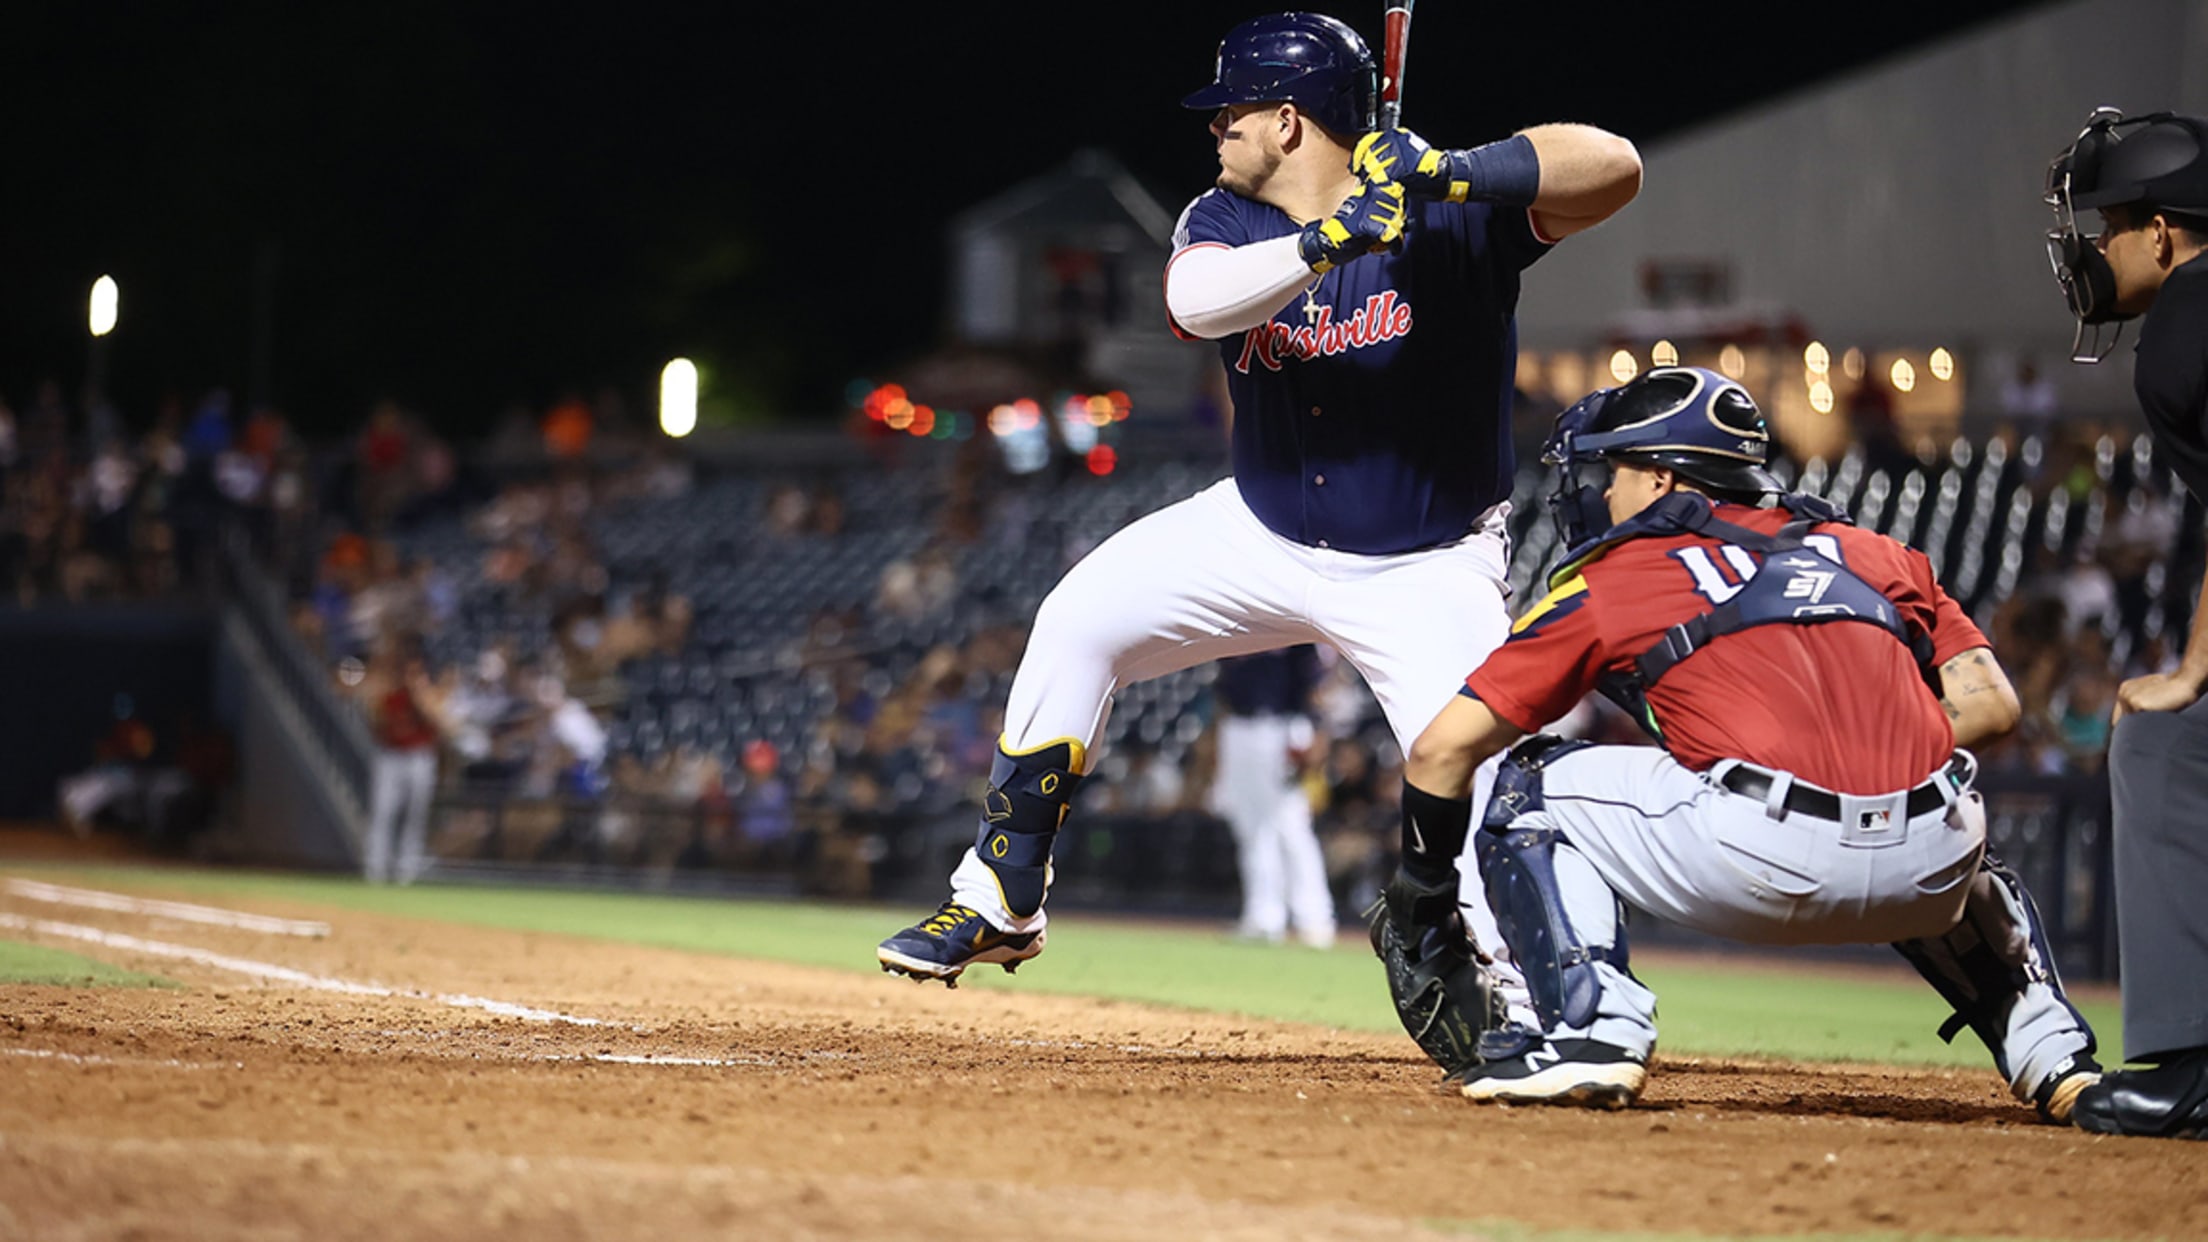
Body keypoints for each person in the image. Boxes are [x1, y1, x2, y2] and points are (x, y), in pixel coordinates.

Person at [875, 11, 1640, 982]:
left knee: (1481, 780)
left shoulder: (1449, 212)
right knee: (1076, 621)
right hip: (1261, 528)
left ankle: (1528, 994)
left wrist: (1451, 172)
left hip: (1423, 560)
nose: (1216, 127)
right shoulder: (1225, 217)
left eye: (1232, 110)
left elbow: (1614, 168)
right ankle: (1000, 898)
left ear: (1288, 120)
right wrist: (1329, 240)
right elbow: (1193, 305)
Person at [1392, 366, 2103, 1119]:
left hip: (1761, 859)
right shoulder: (1876, 553)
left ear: (1661, 479)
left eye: (1615, 472)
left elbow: (1441, 751)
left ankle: (1594, 1032)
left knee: (1527, 784)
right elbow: (1993, 707)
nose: (1604, 493)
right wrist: (1863, 758)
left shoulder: (1619, 577)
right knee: (1937, 801)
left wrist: (1424, 899)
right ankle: (2056, 1054)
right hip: (1928, 874)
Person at [2043, 107, 2208, 1139]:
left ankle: (2192, 1069)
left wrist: (2190, 668)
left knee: (2161, 744)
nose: (2098, 249)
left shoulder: (2189, 316)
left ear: (2160, 233)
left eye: (2111, 227)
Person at [1208, 646, 1335, 948]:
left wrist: (1317, 731)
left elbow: (1313, 682)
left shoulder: (1292, 627)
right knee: (1249, 825)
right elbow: (1224, 681)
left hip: (1283, 726)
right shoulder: (1235, 627)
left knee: (1291, 822)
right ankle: (1263, 916)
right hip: (1237, 726)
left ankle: (1314, 918)